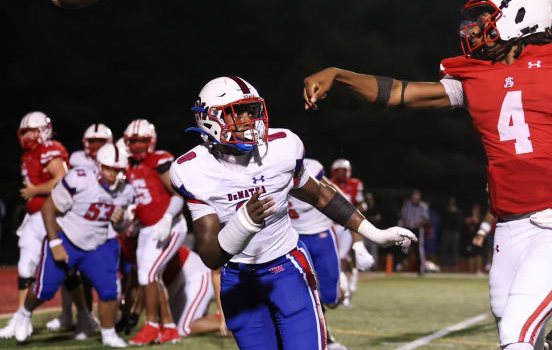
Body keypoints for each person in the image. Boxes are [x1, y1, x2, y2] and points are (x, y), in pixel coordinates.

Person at [303, 0, 552, 350]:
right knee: (517, 327)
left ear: (518, 14)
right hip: (508, 229)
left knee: (515, 334)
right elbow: (400, 93)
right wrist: (339, 75)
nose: (473, 28)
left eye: (482, 17)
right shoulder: (473, 75)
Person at [169, 76, 415, 349]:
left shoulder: (280, 149)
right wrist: (243, 224)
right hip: (238, 278)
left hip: (286, 266)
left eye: (252, 111)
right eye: (238, 113)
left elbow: (321, 195)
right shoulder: (192, 170)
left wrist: (373, 233)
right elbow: (211, 256)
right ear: (211, 119)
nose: (250, 120)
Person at [5, 143, 133, 347]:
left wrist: (120, 220)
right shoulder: (80, 178)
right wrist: (55, 243)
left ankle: (108, 333)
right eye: (109, 168)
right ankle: (24, 314)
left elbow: (120, 227)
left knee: (109, 292)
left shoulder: (127, 190)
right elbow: (48, 208)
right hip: (67, 238)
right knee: (43, 290)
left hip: (98, 244)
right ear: (99, 166)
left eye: (118, 170)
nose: (113, 175)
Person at [0, 112, 98, 340]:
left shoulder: (50, 150)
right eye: (24, 132)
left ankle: (84, 315)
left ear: (43, 130)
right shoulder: (29, 154)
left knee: (65, 268)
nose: (26, 136)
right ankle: (21, 317)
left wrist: (35, 190)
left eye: (31, 131)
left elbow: (62, 178)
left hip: (52, 217)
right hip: (33, 219)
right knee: (24, 267)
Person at [288, 157, 369, 349]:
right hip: (293, 239)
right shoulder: (265, 177)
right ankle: (324, 338)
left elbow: (343, 205)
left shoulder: (311, 169)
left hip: (322, 237)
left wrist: (359, 243)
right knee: (302, 294)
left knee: (331, 300)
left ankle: (338, 282)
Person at [124, 119, 186, 345]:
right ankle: (168, 327)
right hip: (147, 229)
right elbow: (141, 199)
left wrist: (168, 217)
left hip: (170, 225)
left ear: (151, 141)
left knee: (148, 275)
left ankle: (151, 326)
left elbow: (180, 194)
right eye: (133, 141)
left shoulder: (159, 160)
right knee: (151, 276)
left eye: (142, 141)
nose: (138, 145)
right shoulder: (129, 165)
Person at [47, 122, 114, 333]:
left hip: (105, 222)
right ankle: (70, 314)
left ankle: (108, 317)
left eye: (100, 142)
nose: (95, 146)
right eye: (92, 141)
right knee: (68, 273)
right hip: (76, 221)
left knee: (105, 274)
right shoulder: (76, 159)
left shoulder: (115, 159)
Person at [329, 159, 373, 297]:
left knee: (342, 257)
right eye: (340, 170)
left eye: (345, 170)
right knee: (338, 257)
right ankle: (345, 283)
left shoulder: (355, 184)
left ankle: (345, 287)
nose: (344, 173)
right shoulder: (328, 184)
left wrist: (351, 212)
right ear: (334, 171)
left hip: (346, 226)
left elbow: (362, 204)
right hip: (331, 225)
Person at [161, 245, 215, 337]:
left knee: (184, 328)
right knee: (173, 325)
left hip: (199, 275)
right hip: (183, 282)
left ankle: (228, 322)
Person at [398, 189, 429, 274]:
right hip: (408, 229)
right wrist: (404, 227)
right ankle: (399, 266)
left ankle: (421, 269)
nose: (415, 200)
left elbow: (426, 219)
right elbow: (403, 216)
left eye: (417, 199)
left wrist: (418, 224)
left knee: (419, 249)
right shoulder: (407, 205)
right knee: (404, 247)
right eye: (414, 198)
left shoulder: (423, 206)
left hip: (418, 229)